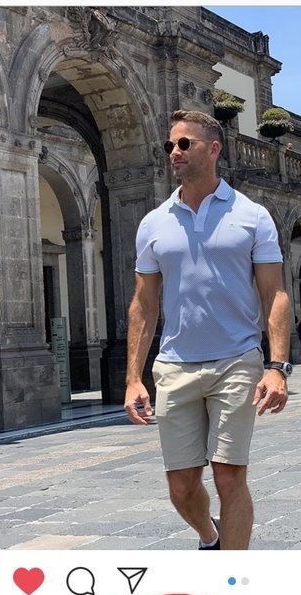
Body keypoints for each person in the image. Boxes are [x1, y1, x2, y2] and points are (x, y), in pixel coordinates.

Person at [124, 109, 291, 551]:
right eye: (170, 145)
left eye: (185, 144)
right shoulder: (154, 222)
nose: (174, 152)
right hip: (174, 365)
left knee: (229, 476)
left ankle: (232, 580)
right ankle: (210, 536)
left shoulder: (252, 216)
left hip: (236, 360)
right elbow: (144, 303)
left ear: (214, 149)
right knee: (181, 486)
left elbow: (273, 294)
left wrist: (277, 367)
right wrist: (133, 377)